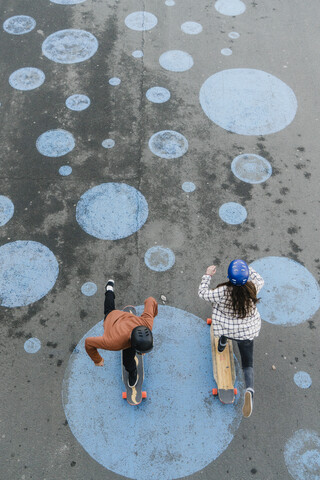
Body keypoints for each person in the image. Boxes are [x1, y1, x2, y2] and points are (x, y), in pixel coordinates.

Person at [198, 260, 264, 418]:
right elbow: (260, 279)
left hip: (227, 328)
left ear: (229, 277)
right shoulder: (253, 287)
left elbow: (202, 293)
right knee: (248, 363)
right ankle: (249, 389)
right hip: (247, 331)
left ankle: (221, 345)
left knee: (224, 332)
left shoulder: (222, 291)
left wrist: (207, 275)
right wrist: (247, 268)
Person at [85, 280, 158, 388]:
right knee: (127, 362)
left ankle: (109, 288)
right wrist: (97, 360)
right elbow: (88, 343)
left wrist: (153, 315)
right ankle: (132, 372)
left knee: (109, 305)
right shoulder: (113, 342)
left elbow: (150, 300)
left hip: (126, 320)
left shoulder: (147, 323)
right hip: (112, 319)